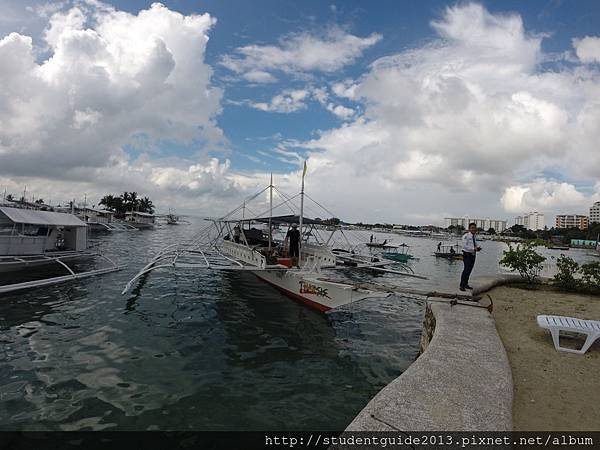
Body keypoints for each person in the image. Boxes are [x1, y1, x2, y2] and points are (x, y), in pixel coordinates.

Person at [460, 223, 482, 291]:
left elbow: (475, 244)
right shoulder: (466, 236)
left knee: (469, 270)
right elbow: (464, 246)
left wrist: (478, 247)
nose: (474, 229)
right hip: (467, 254)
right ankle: (462, 285)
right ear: (469, 229)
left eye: (475, 228)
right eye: (472, 228)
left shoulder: (474, 236)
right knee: (466, 269)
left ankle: (466, 284)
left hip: (473, 255)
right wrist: (473, 248)